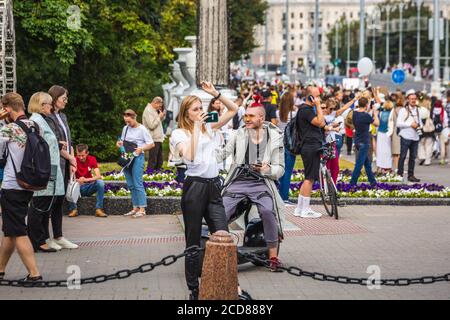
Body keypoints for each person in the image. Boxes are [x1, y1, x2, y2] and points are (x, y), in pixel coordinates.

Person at [170, 81, 238, 300]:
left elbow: (234, 110)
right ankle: (194, 288)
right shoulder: (179, 133)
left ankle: (227, 284)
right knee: (192, 239)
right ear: (187, 114)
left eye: (202, 107)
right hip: (195, 187)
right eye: (196, 109)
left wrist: (215, 94)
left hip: (213, 185)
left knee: (223, 234)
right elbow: (188, 156)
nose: (201, 112)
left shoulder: (209, 125)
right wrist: (197, 130)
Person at [219, 105, 285, 272]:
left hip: (261, 183)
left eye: (251, 116)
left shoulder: (274, 136)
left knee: (268, 212)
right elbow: (221, 154)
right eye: (245, 115)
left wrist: (267, 170)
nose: (246, 119)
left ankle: (273, 257)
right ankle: (218, 253)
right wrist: (200, 150)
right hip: (238, 181)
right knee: (221, 213)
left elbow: (280, 168)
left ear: (261, 118)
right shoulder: (238, 134)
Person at [0, 93, 42, 282]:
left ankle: (34, 274)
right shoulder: (35, 125)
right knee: (10, 230)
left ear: (7, 108)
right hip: (28, 183)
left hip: (12, 185)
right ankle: (0, 270)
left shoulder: (8, 129)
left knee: (18, 232)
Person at [27, 92, 65, 253]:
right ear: (42, 105)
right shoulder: (35, 121)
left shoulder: (41, 120)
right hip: (43, 169)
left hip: (49, 167)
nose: (51, 106)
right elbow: (35, 146)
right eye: (49, 104)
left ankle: (42, 238)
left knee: (45, 204)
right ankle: (37, 241)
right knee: (39, 206)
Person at [47, 85, 79, 250]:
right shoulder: (48, 117)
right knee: (51, 201)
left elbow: (69, 140)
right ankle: (46, 237)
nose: (66, 101)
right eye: (63, 98)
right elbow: (55, 144)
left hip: (66, 163)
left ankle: (59, 236)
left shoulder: (63, 116)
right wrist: (71, 158)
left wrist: (72, 161)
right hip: (55, 163)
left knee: (59, 201)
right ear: (54, 99)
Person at [294, 86, 326, 218]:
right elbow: (320, 122)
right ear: (311, 97)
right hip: (311, 146)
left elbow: (320, 125)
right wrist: (318, 106)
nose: (319, 99)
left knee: (308, 177)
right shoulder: (307, 110)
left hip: (308, 146)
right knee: (310, 178)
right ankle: (306, 209)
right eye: (317, 96)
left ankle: (299, 208)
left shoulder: (303, 109)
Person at [117, 109, 155, 218]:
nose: (127, 124)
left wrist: (141, 148)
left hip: (138, 157)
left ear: (134, 118)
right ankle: (135, 208)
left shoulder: (142, 129)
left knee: (138, 183)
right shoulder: (125, 128)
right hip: (127, 157)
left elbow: (151, 144)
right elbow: (122, 142)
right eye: (126, 121)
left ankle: (142, 209)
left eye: (129, 121)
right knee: (130, 185)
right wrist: (119, 144)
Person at [67, 144, 107, 218]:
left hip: (88, 187)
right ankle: (73, 210)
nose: (81, 157)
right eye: (79, 155)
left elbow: (98, 176)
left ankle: (99, 209)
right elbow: (70, 177)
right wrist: (77, 180)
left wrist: (86, 179)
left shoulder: (92, 159)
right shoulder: (73, 160)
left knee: (100, 182)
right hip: (76, 188)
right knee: (68, 184)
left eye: (83, 155)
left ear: (87, 153)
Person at [349, 97, 380, 185]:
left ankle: (373, 182)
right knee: (359, 165)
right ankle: (352, 183)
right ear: (366, 105)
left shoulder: (355, 113)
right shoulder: (366, 116)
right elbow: (377, 123)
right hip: (365, 142)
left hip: (357, 141)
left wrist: (368, 107)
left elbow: (362, 113)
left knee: (367, 164)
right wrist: (374, 112)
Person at [277, 89, 297, 203]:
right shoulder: (294, 114)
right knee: (288, 171)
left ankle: (278, 195)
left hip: (279, 144)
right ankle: (284, 197)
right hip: (290, 144)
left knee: (279, 171)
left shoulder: (277, 113)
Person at [397, 90, 421, 182]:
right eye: (411, 99)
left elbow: (420, 122)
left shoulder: (418, 110)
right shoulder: (403, 110)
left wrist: (419, 126)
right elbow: (398, 124)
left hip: (415, 137)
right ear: (408, 100)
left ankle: (411, 175)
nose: (413, 100)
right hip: (405, 136)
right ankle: (399, 175)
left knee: (413, 157)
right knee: (402, 156)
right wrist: (410, 124)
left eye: (415, 99)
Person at [142, 97, 165, 170]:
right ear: (155, 103)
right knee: (153, 160)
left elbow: (158, 122)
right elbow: (151, 126)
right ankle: (149, 175)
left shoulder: (155, 110)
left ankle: (157, 175)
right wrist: (159, 117)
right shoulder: (148, 110)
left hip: (158, 138)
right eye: (159, 105)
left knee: (159, 160)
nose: (160, 107)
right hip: (153, 139)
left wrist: (161, 116)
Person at [376, 100, 394, 172]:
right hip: (388, 133)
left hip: (380, 132)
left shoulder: (380, 113)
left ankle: (380, 165)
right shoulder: (391, 113)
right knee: (388, 150)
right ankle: (388, 166)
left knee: (380, 149)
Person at [417, 98, 434, 166]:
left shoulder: (419, 110)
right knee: (429, 146)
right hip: (429, 130)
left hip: (421, 130)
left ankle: (422, 156)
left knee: (420, 144)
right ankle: (428, 160)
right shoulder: (430, 111)